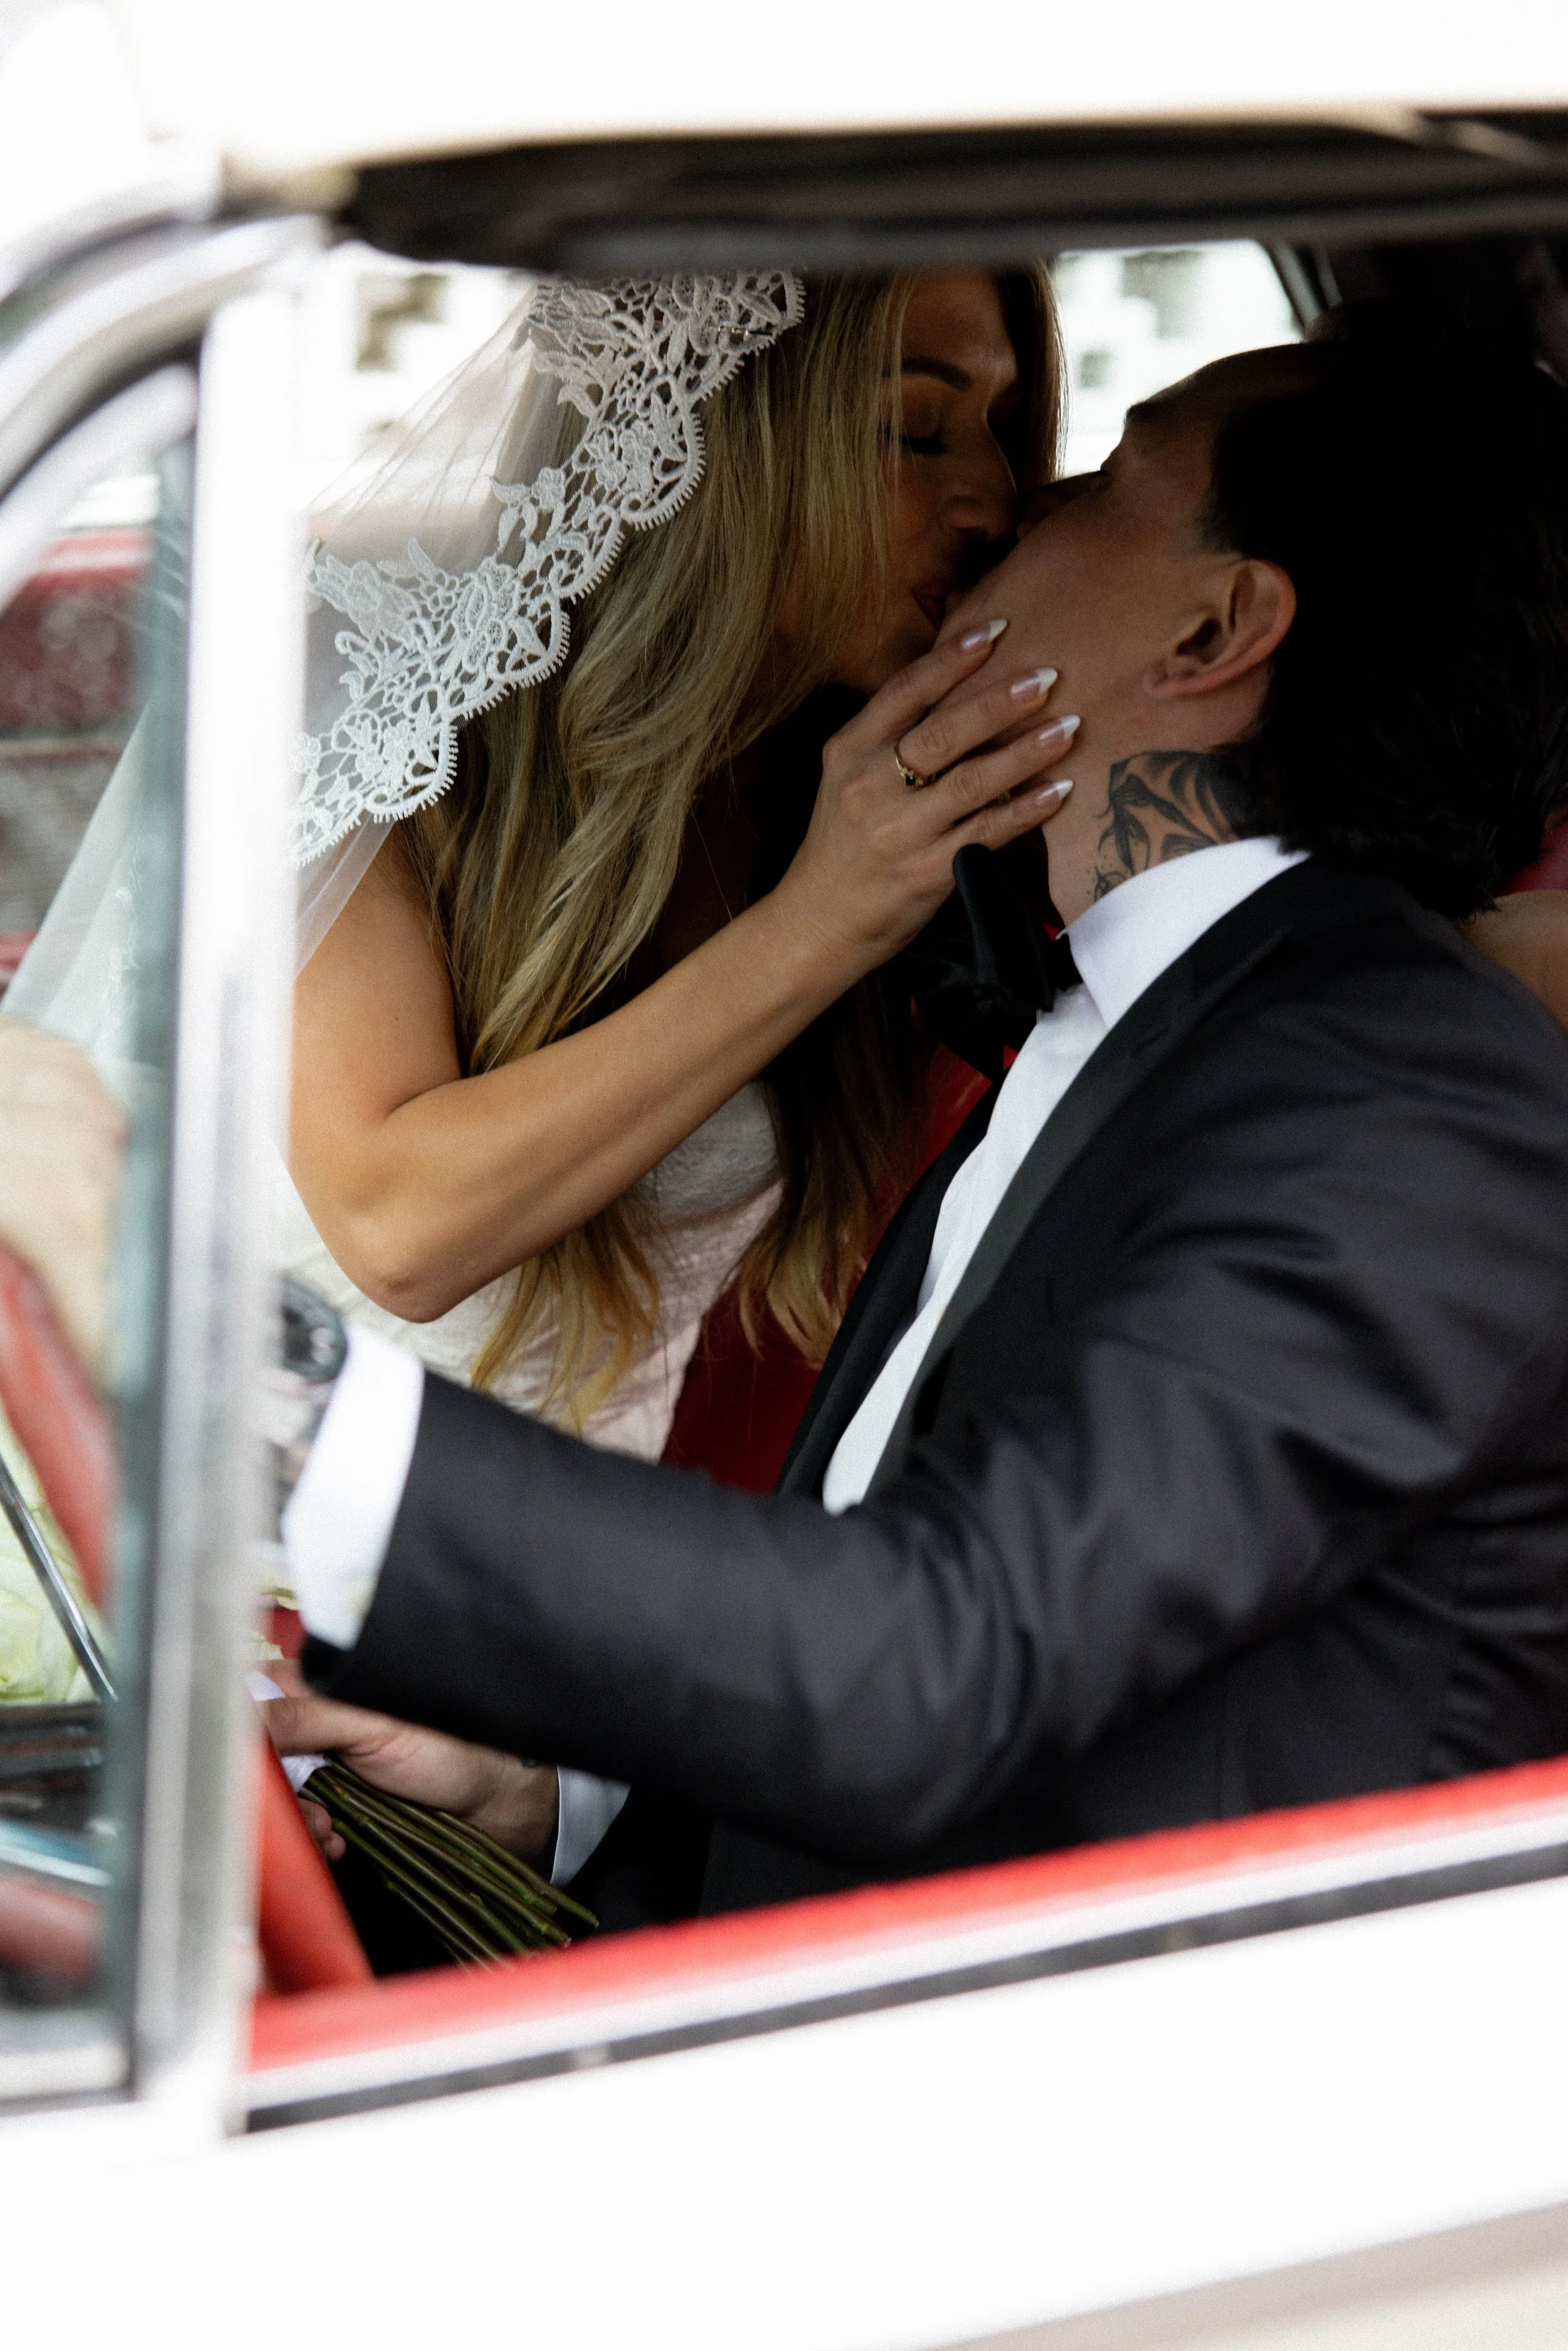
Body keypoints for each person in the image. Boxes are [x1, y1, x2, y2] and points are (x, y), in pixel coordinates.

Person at [216, 307, 1568, 1918]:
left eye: (1106, 478)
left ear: (1213, 632)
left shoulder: (1398, 1120)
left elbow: (941, 1659)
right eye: (931, 434)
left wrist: (288, 1407)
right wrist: (557, 1781)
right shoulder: (1116, 1022)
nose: (1024, 500)